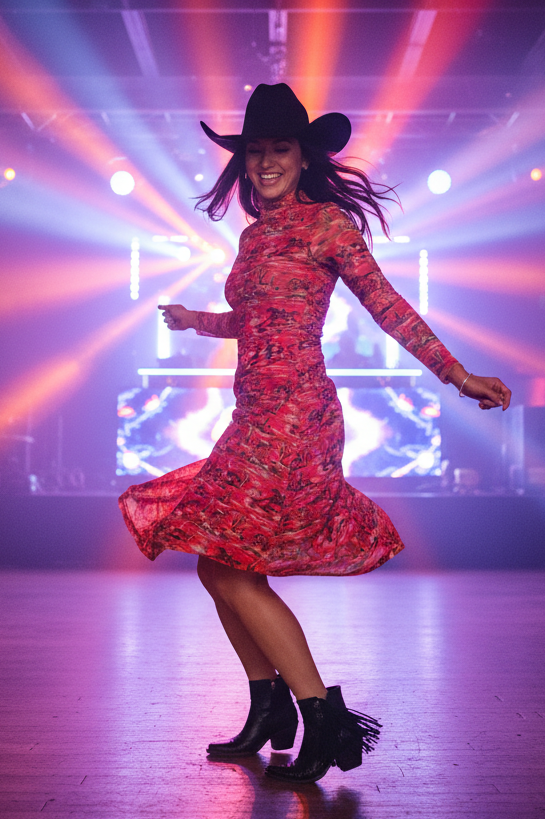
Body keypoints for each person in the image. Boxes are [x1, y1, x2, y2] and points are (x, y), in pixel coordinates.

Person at [118, 84, 511, 783]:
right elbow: (254, 319)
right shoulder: (253, 236)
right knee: (216, 564)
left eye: (280, 150)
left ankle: (323, 717)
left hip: (296, 418)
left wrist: (457, 375)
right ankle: (269, 707)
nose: (266, 162)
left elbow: (386, 305)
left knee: (232, 567)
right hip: (252, 415)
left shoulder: (326, 224)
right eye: (256, 152)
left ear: (303, 158)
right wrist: (197, 320)